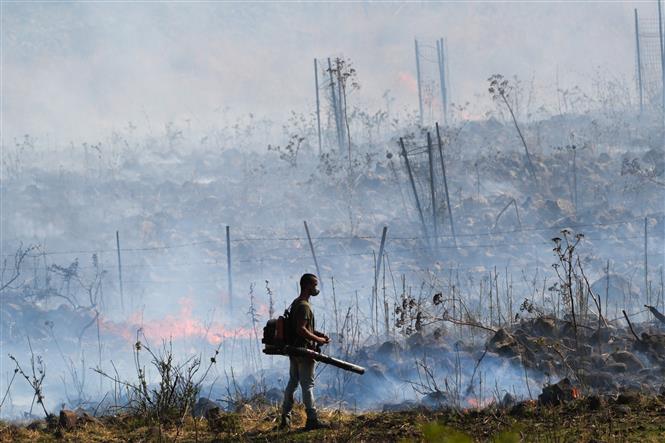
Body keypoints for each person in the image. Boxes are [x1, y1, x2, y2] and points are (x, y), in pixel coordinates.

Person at [280, 273, 331, 430]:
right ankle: (312, 420)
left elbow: (303, 327)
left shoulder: (296, 303)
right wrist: (318, 340)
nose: (316, 289)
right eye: (314, 285)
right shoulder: (304, 306)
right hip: (304, 351)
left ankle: (285, 418)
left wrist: (318, 333)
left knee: (293, 381)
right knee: (307, 385)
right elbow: (301, 329)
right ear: (306, 286)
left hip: (294, 350)